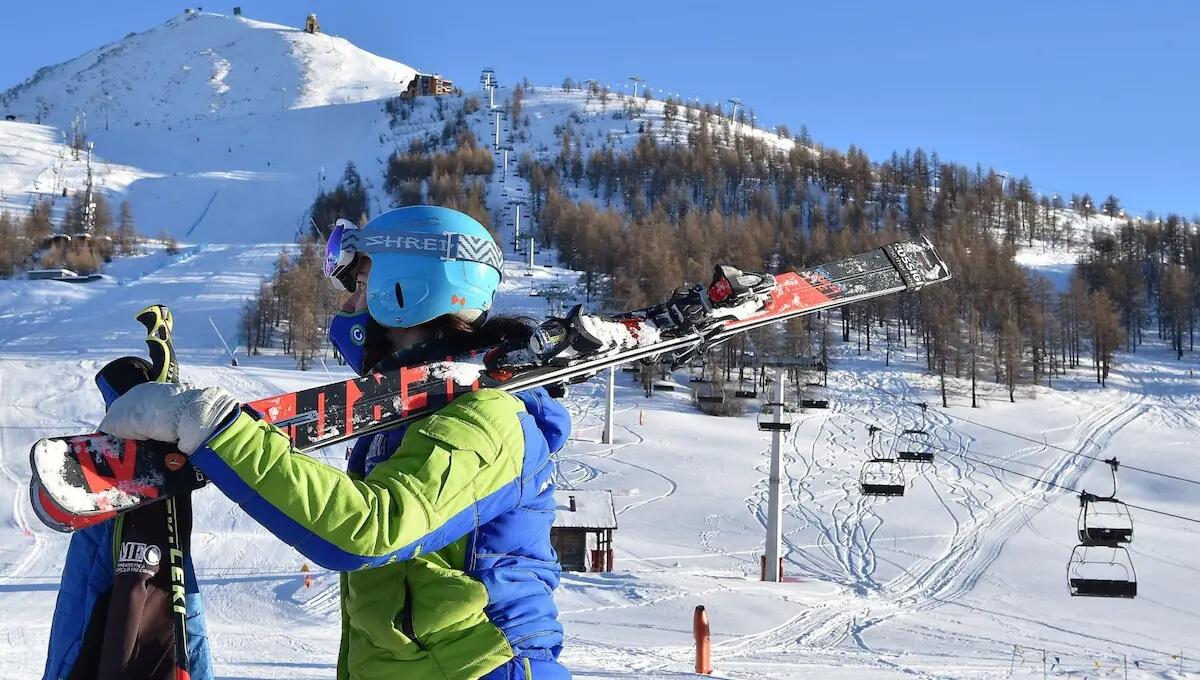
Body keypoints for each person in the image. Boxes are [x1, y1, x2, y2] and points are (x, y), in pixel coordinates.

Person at [100, 206, 573, 680]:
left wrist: (214, 428)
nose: (348, 308)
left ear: (408, 290)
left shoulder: (491, 418)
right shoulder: (407, 421)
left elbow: (370, 528)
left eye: (362, 287)